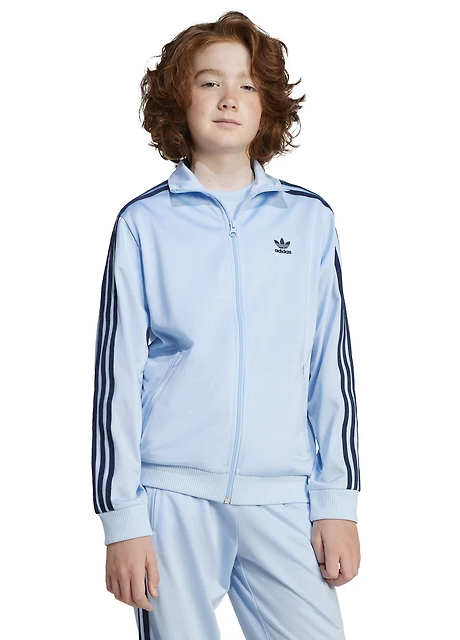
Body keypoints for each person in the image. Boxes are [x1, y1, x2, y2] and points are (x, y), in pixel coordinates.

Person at [91, 10, 361, 639]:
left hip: (284, 493)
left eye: (247, 84)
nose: (229, 98)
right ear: (178, 99)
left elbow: (332, 368)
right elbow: (116, 380)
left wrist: (338, 501)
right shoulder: (143, 225)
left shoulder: (309, 221)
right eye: (209, 82)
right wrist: (122, 519)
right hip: (172, 495)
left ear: (268, 104)